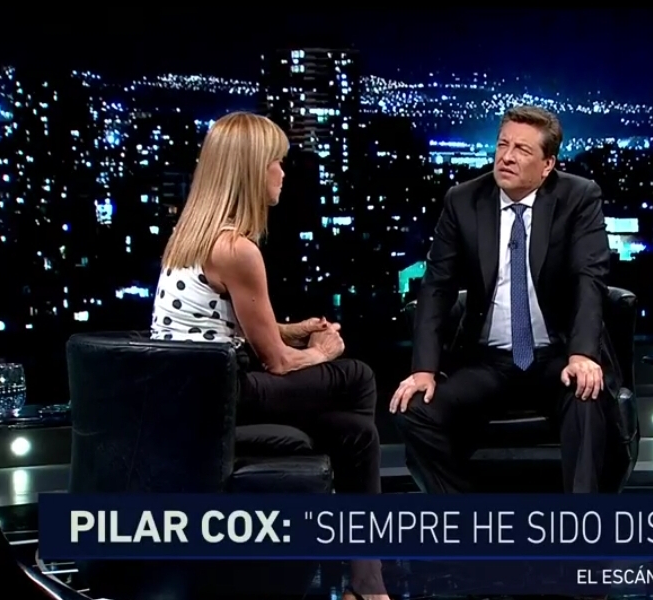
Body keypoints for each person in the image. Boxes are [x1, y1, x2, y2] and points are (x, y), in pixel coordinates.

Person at [149, 112, 388, 600]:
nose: (282, 173)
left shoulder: (192, 234)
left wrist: (293, 330)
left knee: (358, 434)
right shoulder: (234, 248)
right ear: (251, 170)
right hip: (217, 400)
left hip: (192, 395)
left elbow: (221, 325)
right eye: (276, 162)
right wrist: (320, 351)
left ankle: (366, 583)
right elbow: (277, 362)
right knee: (356, 376)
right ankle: (351, 564)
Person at [389, 105, 623, 494]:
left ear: (547, 165)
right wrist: (424, 370)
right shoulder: (463, 200)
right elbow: (436, 287)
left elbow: (589, 278)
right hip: (487, 362)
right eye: (502, 145)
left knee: (586, 397)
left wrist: (583, 354)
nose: (507, 157)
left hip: (557, 355)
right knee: (413, 410)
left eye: (522, 150)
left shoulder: (578, 197)